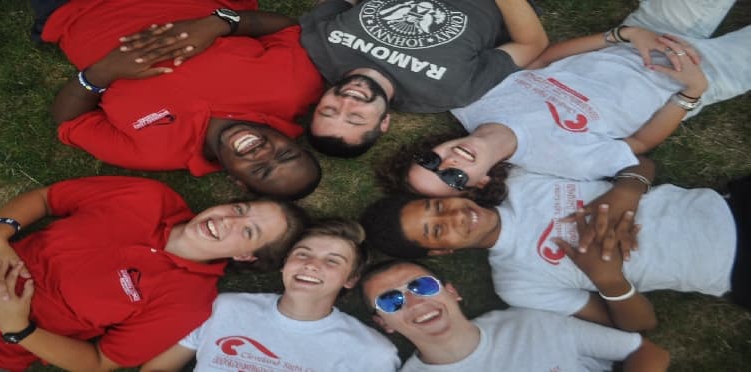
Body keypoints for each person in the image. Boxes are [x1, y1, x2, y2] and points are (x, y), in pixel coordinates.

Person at [0, 176, 307, 371]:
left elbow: (100, 362)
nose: (228, 220)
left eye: (247, 232)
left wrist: (18, 330)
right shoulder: (148, 197)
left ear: (245, 256)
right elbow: (48, 199)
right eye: (240, 208)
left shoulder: (189, 303)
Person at [403, 0, 749, 198]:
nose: (449, 164)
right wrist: (691, 92)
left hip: (643, 34)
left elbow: (541, 60)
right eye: (453, 179)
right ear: (480, 183)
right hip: (697, 74)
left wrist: (624, 35)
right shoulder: (565, 164)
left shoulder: (467, 98)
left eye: (432, 162)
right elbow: (640, 142)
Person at [362, 158, 751, 332]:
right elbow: (640, 325)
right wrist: (608, 277)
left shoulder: (524, 177)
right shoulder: (517, 284)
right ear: (441, 253)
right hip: (734, 269)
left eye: (437, 206)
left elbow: (639, 162)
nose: (454, 217)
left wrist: (626, 193)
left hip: (728, 206)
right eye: (436, 231)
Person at [44, 0, 325, 199]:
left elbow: (69, 121)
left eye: (261, 170)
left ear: (238, 182)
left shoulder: (155, 154)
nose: (263, 153)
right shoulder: (293, 90)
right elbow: (285, 29)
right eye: (285, 153)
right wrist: (220, 23)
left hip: (74, 10)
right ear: (293, 142)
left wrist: (102, 72)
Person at [141, 219, 401, 371]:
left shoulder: (371, 353)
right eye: (303, 254)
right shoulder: (226, 307)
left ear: (351, 280)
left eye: (332, 261)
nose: (311, 265)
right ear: (286, 263)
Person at [299, 0, 548, 157]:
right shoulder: (448, 91)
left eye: (329, 111)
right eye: (356, 117)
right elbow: (531, 44)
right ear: (384, 122)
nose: (347, 102)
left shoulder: (321, 45)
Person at [359, 260, 670, 371]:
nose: (414, 301)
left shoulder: (531, 322)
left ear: (452, 292)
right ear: (384, 324)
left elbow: (646, 352)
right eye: (391, 301)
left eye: (422, 286)